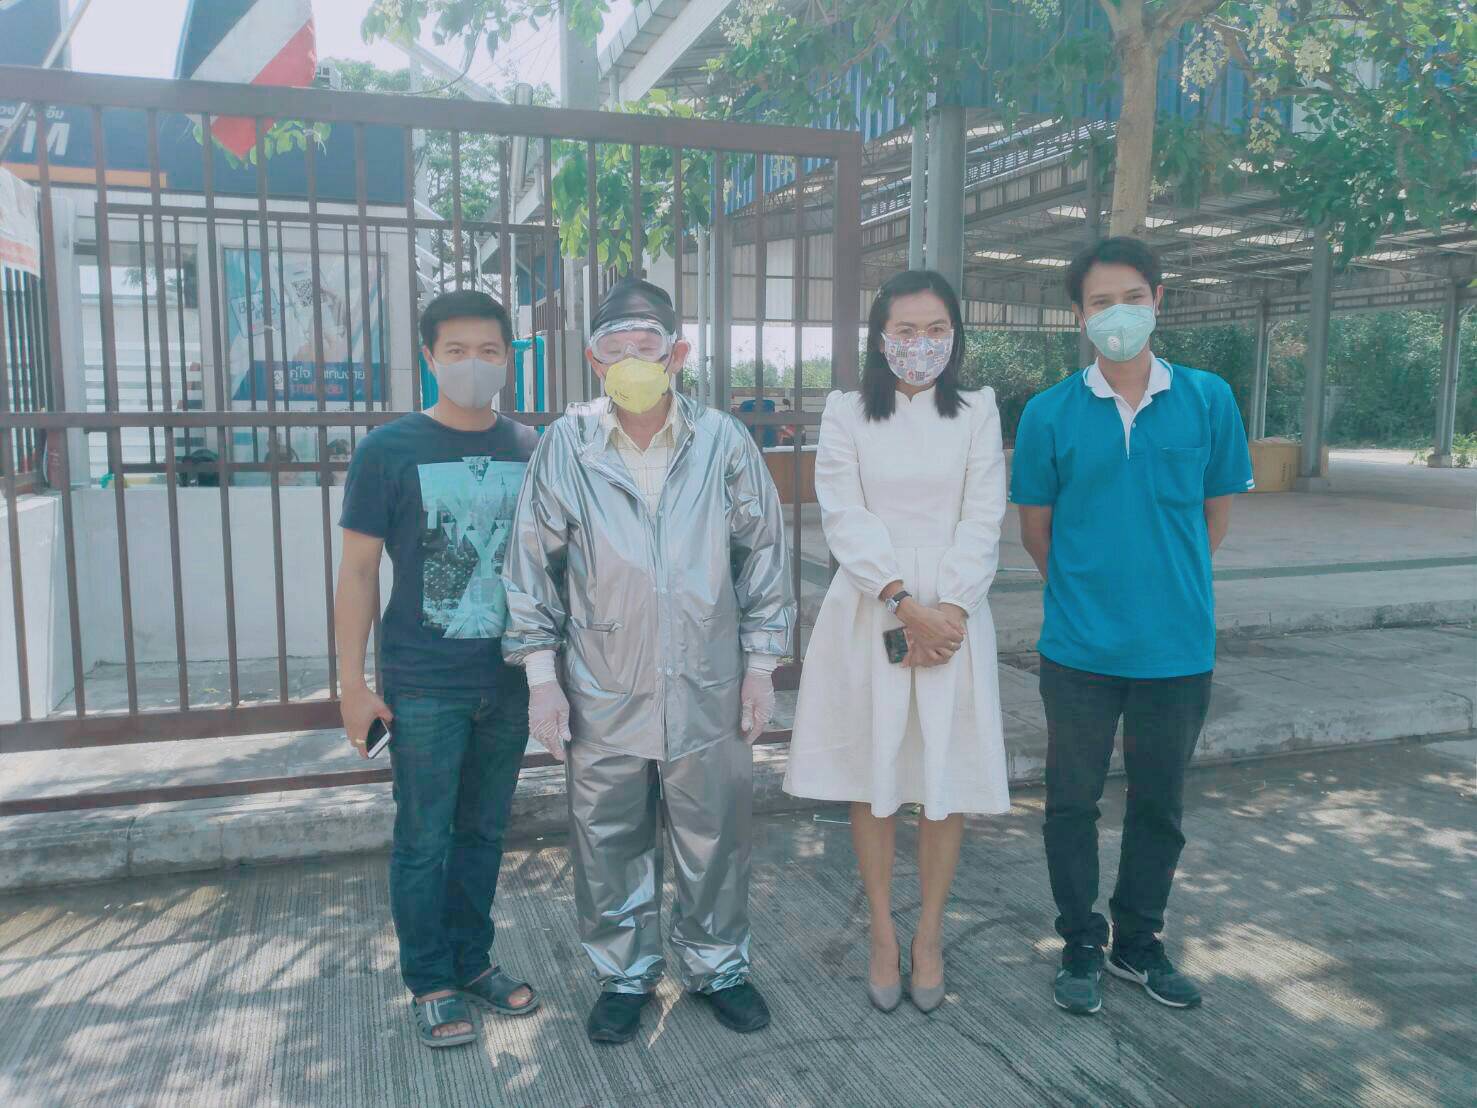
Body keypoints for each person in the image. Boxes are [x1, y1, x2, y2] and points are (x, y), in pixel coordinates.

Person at [501, 276, 794, 1046]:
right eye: (615, 347)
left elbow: (762, 554)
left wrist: (760, 666)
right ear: (593, 359)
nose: (632, 360)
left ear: (678, 354)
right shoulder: (567, 444)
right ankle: (625, 974)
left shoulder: (720, 441)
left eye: (647, 345)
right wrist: (541, 681)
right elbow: (531, 564)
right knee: (606, 834)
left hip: (707, 677)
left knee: (714, 831)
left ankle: (717, 966)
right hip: (604, 679)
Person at [1010, 237, 1254, 1017]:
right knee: (1069, 804)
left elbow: (1213, 517)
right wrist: (1089, 594)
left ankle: (1137, 942)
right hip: (1077, 651)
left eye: (1132, 298)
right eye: (1099, 302)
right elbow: (1036, 531)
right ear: (1078, 316)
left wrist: (1159, 587)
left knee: (1158, 806)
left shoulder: (1207, 399)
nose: (1117, 314)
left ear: (1158, 300)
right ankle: (1079, 942)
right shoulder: (1048, 413)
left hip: (1175, 649)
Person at [784, 269, 1010, 1014]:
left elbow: (984, 514)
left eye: (936, 329)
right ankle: (883, 933)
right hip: (872, 604)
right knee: (875, 775)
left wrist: (950, 611)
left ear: (955, 336)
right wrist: (903, 603)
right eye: (906, 331)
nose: (921, 344)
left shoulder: (976, 410)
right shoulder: (847, 412)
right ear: (880, 338)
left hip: (953, 611)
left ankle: (929, 936)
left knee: (943, 778)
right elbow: (842, 512)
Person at [335, 290, 542, 1050]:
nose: (472, 364)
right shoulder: (387, 450)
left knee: (484, 831)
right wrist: (352, 686)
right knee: (424, 837)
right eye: (456, 351)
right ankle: (429, 979)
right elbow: (358, 572)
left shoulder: (533, 448)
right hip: (423, 682)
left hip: (511, 677)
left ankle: (472, 960)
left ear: (509, 358)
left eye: (488, 351)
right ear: (429, 357)